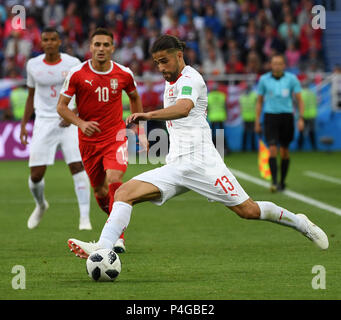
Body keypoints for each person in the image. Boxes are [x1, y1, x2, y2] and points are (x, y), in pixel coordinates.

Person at [66, 35, 328, 262]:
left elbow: (184, 108)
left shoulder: (192, 78)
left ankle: (300, 222)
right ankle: (104, 246)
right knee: (124, 192)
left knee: (248, 211)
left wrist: (147, 115)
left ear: (179, 56)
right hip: (178, 165)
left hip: (203, 163)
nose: (160, 68)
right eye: (156, 62)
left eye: (164, 61)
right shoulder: (170, 81)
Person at [57, 28, 148, 254]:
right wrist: (80, 123)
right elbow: (61, 107)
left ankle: (118, 239)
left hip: (115, 137)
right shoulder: (77, 73)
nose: (101, 49)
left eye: (106, 45)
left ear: (112, 48)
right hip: (88, 141)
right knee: (99, 190)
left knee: (115, 178)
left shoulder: (124, 73)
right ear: (90, 47)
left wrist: (140, 129)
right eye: (97, 44)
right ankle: (114, 229)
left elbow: (135, 97)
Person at [20, 27, 92, 231]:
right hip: (43, 121)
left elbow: (84, 93)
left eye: (53, 39)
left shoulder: (73, 63)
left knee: (77, 166)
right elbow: (30, 96)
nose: (49, 42)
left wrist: (73, 114)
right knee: (36, 175)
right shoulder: (33, 65)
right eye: (45, 39)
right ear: (41, 42)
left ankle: (84, 218)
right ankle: (41, 204)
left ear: (60, 41)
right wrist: (25, 125)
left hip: (68, 120)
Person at [255, 54, 304, 192]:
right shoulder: (264, 80)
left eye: (279, 63)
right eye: (274, 63)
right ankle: (275, 182)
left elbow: (300, 100)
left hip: (287, 117)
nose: (277, 65)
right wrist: (257, 121)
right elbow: (259, 101)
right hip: (270, 117)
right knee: (272, 149)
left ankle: (282, 181)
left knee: (284, 151)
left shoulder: (292, 79)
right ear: (271, 65)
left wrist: (300, 118)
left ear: (284, 65)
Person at [297, 80, 318, 151]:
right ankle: (314, 147)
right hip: (312, 115)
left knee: (301, 132)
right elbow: (316, 103)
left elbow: (298, 104)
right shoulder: (312, 93)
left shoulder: (301, 94)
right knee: (312, 132)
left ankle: (299, 148)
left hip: (303, 115)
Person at [240, 82, 257, 152]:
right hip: (252, 116)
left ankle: (244, 148)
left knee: (246, 133)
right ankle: (252, 148)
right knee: (251, 133)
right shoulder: (254, 95)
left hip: (245, 117)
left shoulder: (242, 97)